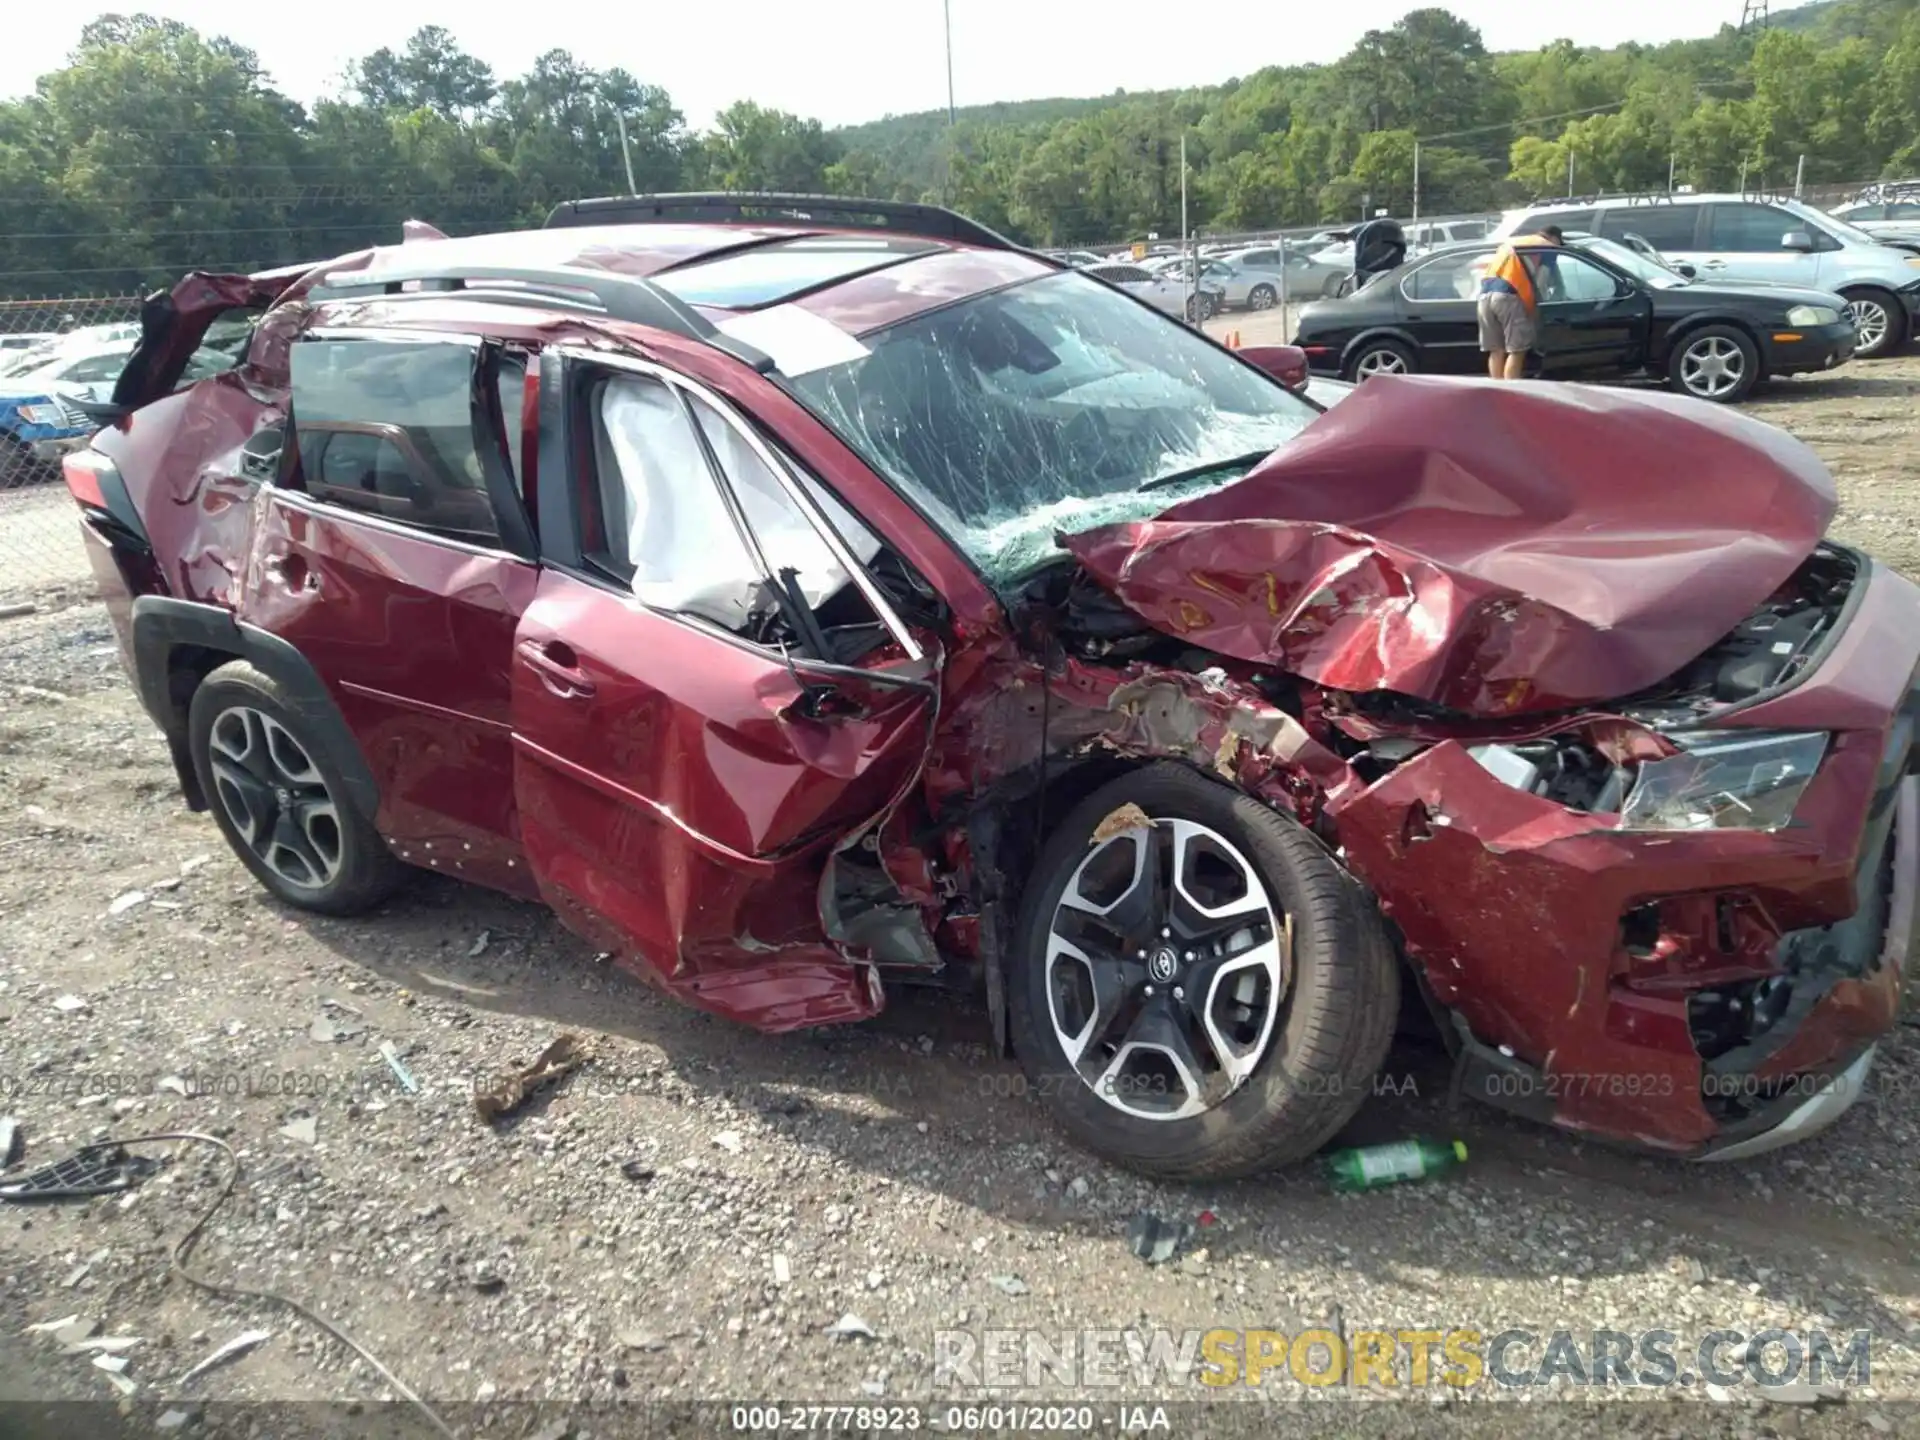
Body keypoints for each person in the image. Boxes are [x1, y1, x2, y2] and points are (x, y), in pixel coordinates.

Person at [1476, 225, 1564, 381]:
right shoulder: (1546, 248)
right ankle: (1512, 390)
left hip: (1484, 295)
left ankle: (1497, 389)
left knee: (1496, 350)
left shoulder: (1512, 243)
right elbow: (1541, 282)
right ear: (1553, 238)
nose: (1558, 247)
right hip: (1508, 296)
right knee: (1517, 350)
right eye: (1559, 243)